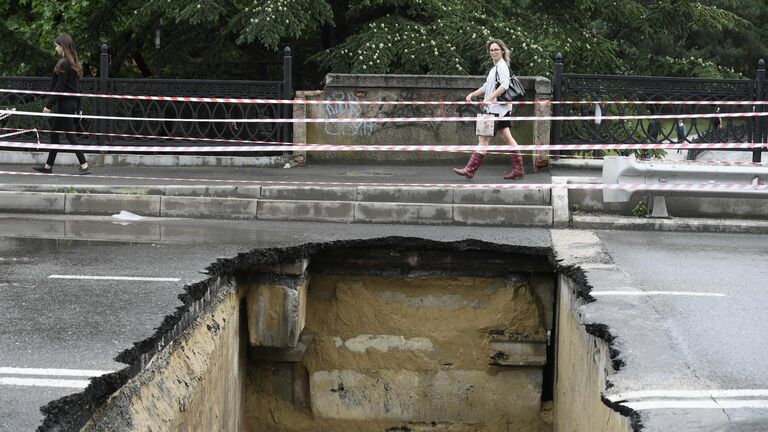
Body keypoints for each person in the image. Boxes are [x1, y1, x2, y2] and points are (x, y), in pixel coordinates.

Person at [454, 39, 523, 180]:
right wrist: (473, 94)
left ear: (502, 51)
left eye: (496, 49)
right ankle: (518, 170)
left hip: (496, 109)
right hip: (498, 109)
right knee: (506, 137)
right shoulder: (495, 68)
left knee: (483, 138)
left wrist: (489, 99)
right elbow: (486, 86)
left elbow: (504, 85)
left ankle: (469, 170)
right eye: (491, 50)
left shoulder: (502, 66)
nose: (494, 52)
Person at [33, 34, 91, 175]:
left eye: (57, 45)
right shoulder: (73, 63)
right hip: (69, 104)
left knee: (70, 135)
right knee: (54, 133)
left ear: (62, 46)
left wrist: (48, 105)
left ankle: (84, 165)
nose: (56, 48)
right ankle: (48, 166)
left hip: (64, 105)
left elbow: (59, 87)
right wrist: (78, 107)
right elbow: (77, 89)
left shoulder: (64, 63)